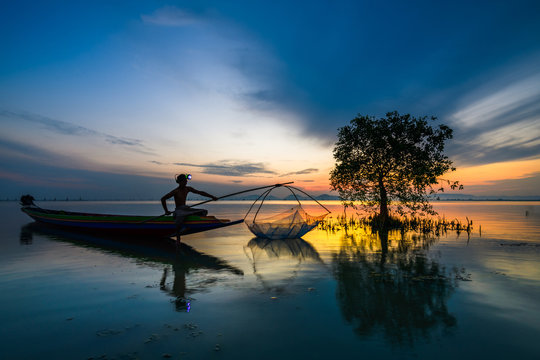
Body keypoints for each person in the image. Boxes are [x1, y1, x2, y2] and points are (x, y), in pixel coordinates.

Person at [161, 174, 218, 243]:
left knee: (204, 211)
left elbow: (200, 192)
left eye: (186, 181)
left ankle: (189, 221)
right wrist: (166, 211)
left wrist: (212, 197)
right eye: (184, 181)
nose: (186, 182)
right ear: (179, 182)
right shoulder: (176, 191)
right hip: (179, 210)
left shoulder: (188, 189)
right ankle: (178, 235)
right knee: (179, 219)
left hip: (186, 209)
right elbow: (163, 199)